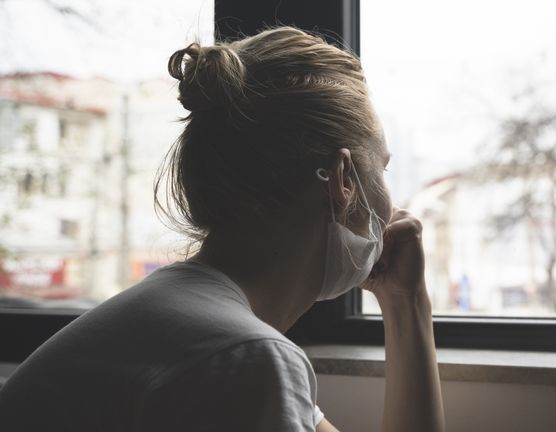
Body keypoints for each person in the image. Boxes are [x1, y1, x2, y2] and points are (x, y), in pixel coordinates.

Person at [0, 26, 445, 431]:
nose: (393, 203)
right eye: (383, 168)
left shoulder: (197, 322)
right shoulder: (239, 356)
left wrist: (406, 303)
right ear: (344, 180)